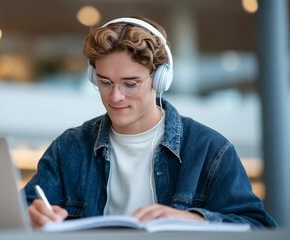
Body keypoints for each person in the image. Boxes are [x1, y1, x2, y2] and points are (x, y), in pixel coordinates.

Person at [23, 16, 277, 229]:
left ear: (160, 80)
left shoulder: (209, 149)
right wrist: (31, 218)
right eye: (104, 82)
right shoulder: (69, 148)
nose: (115, 96)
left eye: (130, 84)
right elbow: (19, 212)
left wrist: (194, 221)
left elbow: (258, 226)